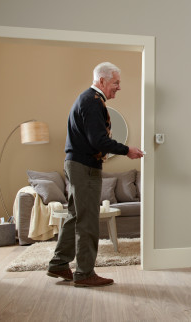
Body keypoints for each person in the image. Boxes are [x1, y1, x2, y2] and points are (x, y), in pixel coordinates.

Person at [47, 62, 144, 287]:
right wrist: (127, 150)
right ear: (101, 80)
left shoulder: (90, 100)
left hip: (77, 165)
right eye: (116, 82)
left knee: (75, 216)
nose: (119, 87)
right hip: (84, 167)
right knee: (88, 220)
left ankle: (59, 264)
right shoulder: (92, 102)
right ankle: (84, 273)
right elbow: (98, 140)